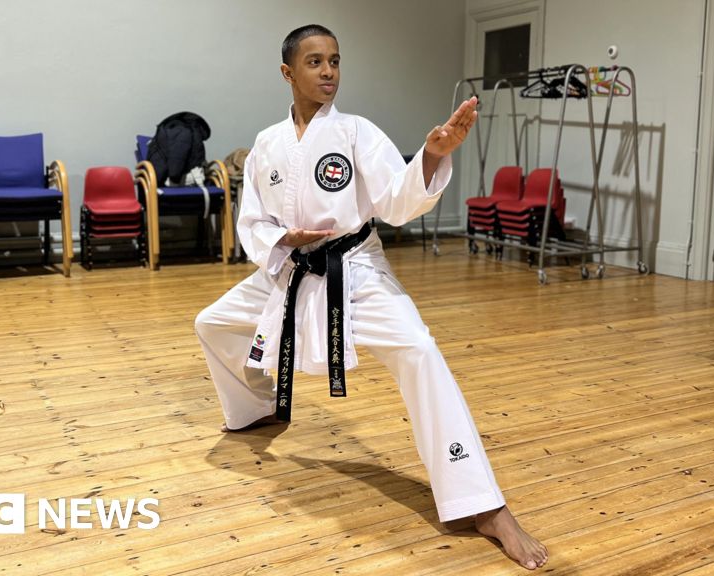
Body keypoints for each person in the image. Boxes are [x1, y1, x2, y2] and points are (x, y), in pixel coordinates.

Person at [194, 23, 549, 570]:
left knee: (420, 351)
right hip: (291, 268)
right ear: (288, 72)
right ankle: (255, 408)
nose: (329, 71)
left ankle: (484, 505)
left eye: (335, 61)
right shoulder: (267, 143)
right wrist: (282, 240)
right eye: (315, 62)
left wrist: (430, 157)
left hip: (355, 270)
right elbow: (253, 221)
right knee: (213, 323)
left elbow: (397, 200)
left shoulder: (357, 132)